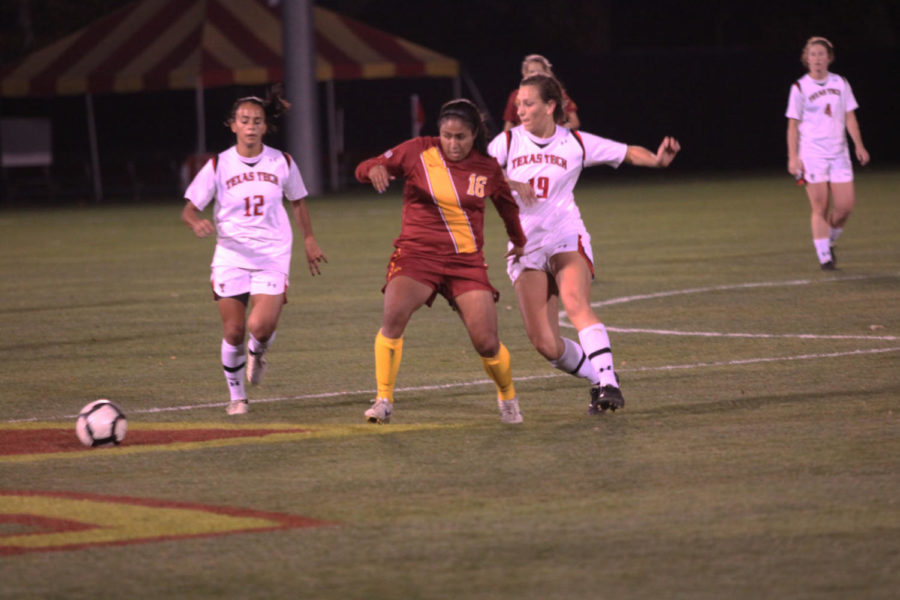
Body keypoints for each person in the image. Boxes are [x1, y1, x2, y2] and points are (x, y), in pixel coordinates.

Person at [488, 74, 680, 415]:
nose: (520, 110)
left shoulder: (574, 142)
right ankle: (600, 377)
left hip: (566, 235)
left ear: (550, 106)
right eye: (518, 103)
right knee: (546, 344)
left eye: (528, 103)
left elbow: (626, 152)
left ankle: (609, 384)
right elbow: (476, 174)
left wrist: (657, 160)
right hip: (525, 246)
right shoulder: (506, 143)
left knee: (575, 303)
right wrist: (510, 181)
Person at [355, 98, 528, 424]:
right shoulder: (418, 151)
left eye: (460, 136)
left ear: (474, 133)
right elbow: (366, 166)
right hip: (417, 256)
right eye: (447, 135)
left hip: (466, 263)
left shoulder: (486, 168)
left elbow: (507, 207)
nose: (452, 143)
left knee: (487, 343)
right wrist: (373, 169)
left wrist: (519, 241)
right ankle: (383, 400)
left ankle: (507, 396)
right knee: (393, 317)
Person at [181, 91, 327, 415]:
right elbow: (189, 209)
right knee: (233, 330)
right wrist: (196, 223)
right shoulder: (219, 164)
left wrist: (309, 239)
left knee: (260, 327)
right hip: (231, 254)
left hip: (272, 254)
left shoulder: (282, 161)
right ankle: (237, 396)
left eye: (257, 121)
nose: (250, 126)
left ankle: (257, 352)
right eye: (244, 121)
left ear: (265, 127)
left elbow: (298, 201)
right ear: (232, 125)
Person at [786, 36, 869, 271]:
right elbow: (793, 125)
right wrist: (793, 156)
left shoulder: (841, 83)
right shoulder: (800, 87)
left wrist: (859, 145)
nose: (817, 59)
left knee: (844, 207)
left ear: (829, 58)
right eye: (813, 54)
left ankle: (827, 241)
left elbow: (849, 116)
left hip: (839, 153)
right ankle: (825, 257)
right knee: (820, 206)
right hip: (812, 154)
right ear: (806, 59)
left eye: (821, 54)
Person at [502, 54, 579, 131]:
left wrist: (560, 131)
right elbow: (508, 126)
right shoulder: (516, 96)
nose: (535, 75)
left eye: (539, 72)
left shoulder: (558, 94)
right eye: (531, 72)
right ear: (524, 74)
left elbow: (575, 122)